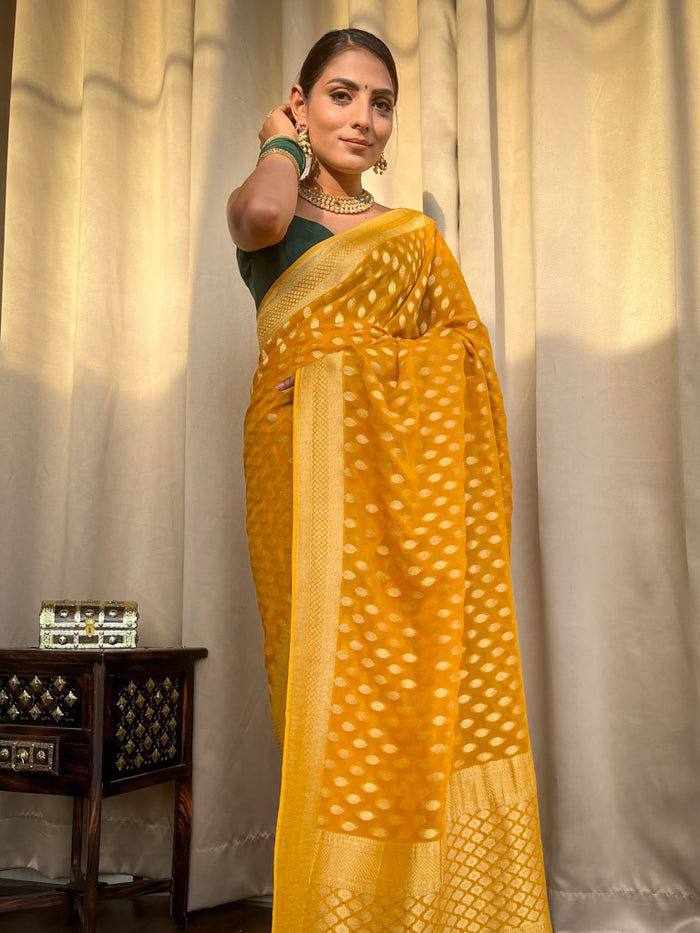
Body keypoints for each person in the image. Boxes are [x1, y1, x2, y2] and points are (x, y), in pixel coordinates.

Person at [227, 27, 553, 933]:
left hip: (401, 490)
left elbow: (464, 355)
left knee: (410, 683)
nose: (363, 118)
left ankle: (425, 901)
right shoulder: (271, 204)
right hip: (296, 466)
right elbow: (260, 220)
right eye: (341, 95)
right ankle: (341, 906)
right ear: (301, 103)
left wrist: (347, 376)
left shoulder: (411, 237)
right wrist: (279, 143)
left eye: (381, 103)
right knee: (320, 687)